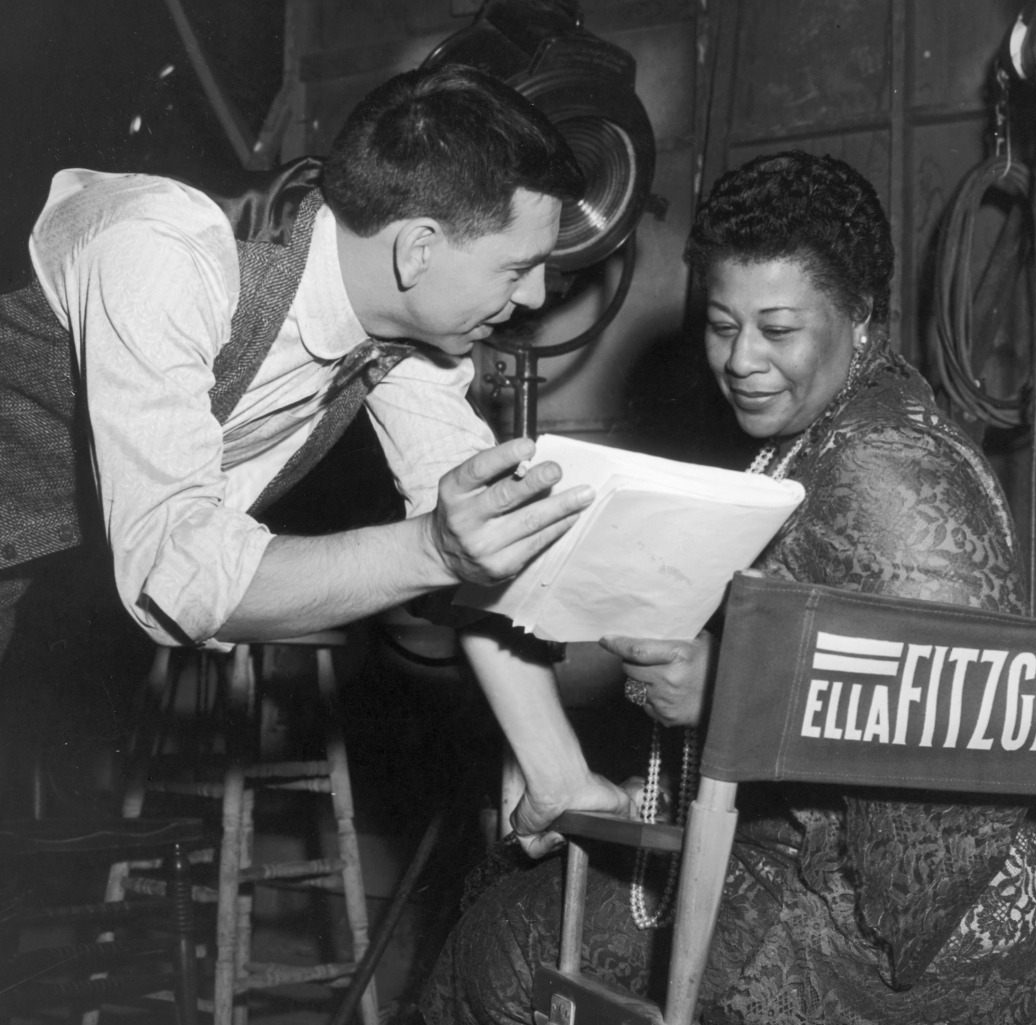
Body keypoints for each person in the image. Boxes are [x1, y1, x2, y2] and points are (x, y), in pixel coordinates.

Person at [419, 151, 1036, 1024]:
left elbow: (967, 720)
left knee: (507, 949)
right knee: (515, 913)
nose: (741, 359)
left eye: (777, 328)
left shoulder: (884, 467)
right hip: (828, 865)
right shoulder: (835, 429)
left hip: (915, 937)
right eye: (722, 325)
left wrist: (729, 688)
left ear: (860, 315)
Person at [0, 64, 632, 834]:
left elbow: (479, 526)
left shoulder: (405, 323)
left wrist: (557, 775)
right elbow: (179, 573)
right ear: (418, 250)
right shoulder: (165, 253)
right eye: (516, 266)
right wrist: (433, 552)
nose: (535, 296)